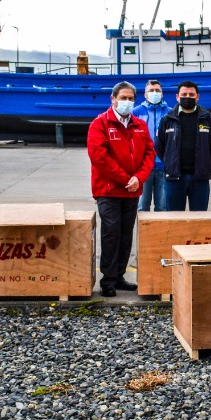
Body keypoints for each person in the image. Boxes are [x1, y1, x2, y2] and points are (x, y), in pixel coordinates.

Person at [87, 81, 156, 297]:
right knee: (111, 234)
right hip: (108, 191)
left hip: (131, 190)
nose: (126, 102)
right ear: (113, 99)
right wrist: (127, 178)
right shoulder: (100, 124)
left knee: (126, 235)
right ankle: (107, 280)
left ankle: (119, 276)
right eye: (123, 98)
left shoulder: (139, 125)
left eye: (130, 98)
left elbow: (149, 154)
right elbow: (99, 156)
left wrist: (139, 178)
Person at [158, 80, 211, 211]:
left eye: (191, 95)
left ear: (198, 97)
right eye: (184, 94)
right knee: (174, 220)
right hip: (174, 178)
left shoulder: (208, 118)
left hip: (200, 178)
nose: (187, 97)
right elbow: (159, 146)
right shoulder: (167, 119)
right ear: (177, 97)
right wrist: (169, 162)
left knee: (198, 221)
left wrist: (205, 161)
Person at [132, 79, 170, 212]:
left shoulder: (170, 113)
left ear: (162, 93)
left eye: (157, 91)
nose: (155, 93)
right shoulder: (135, 112)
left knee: (163, 207)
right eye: (151, 91)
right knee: (142, 207)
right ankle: (143, 233)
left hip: (164, 166)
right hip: (143, 168)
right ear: (145, 94)